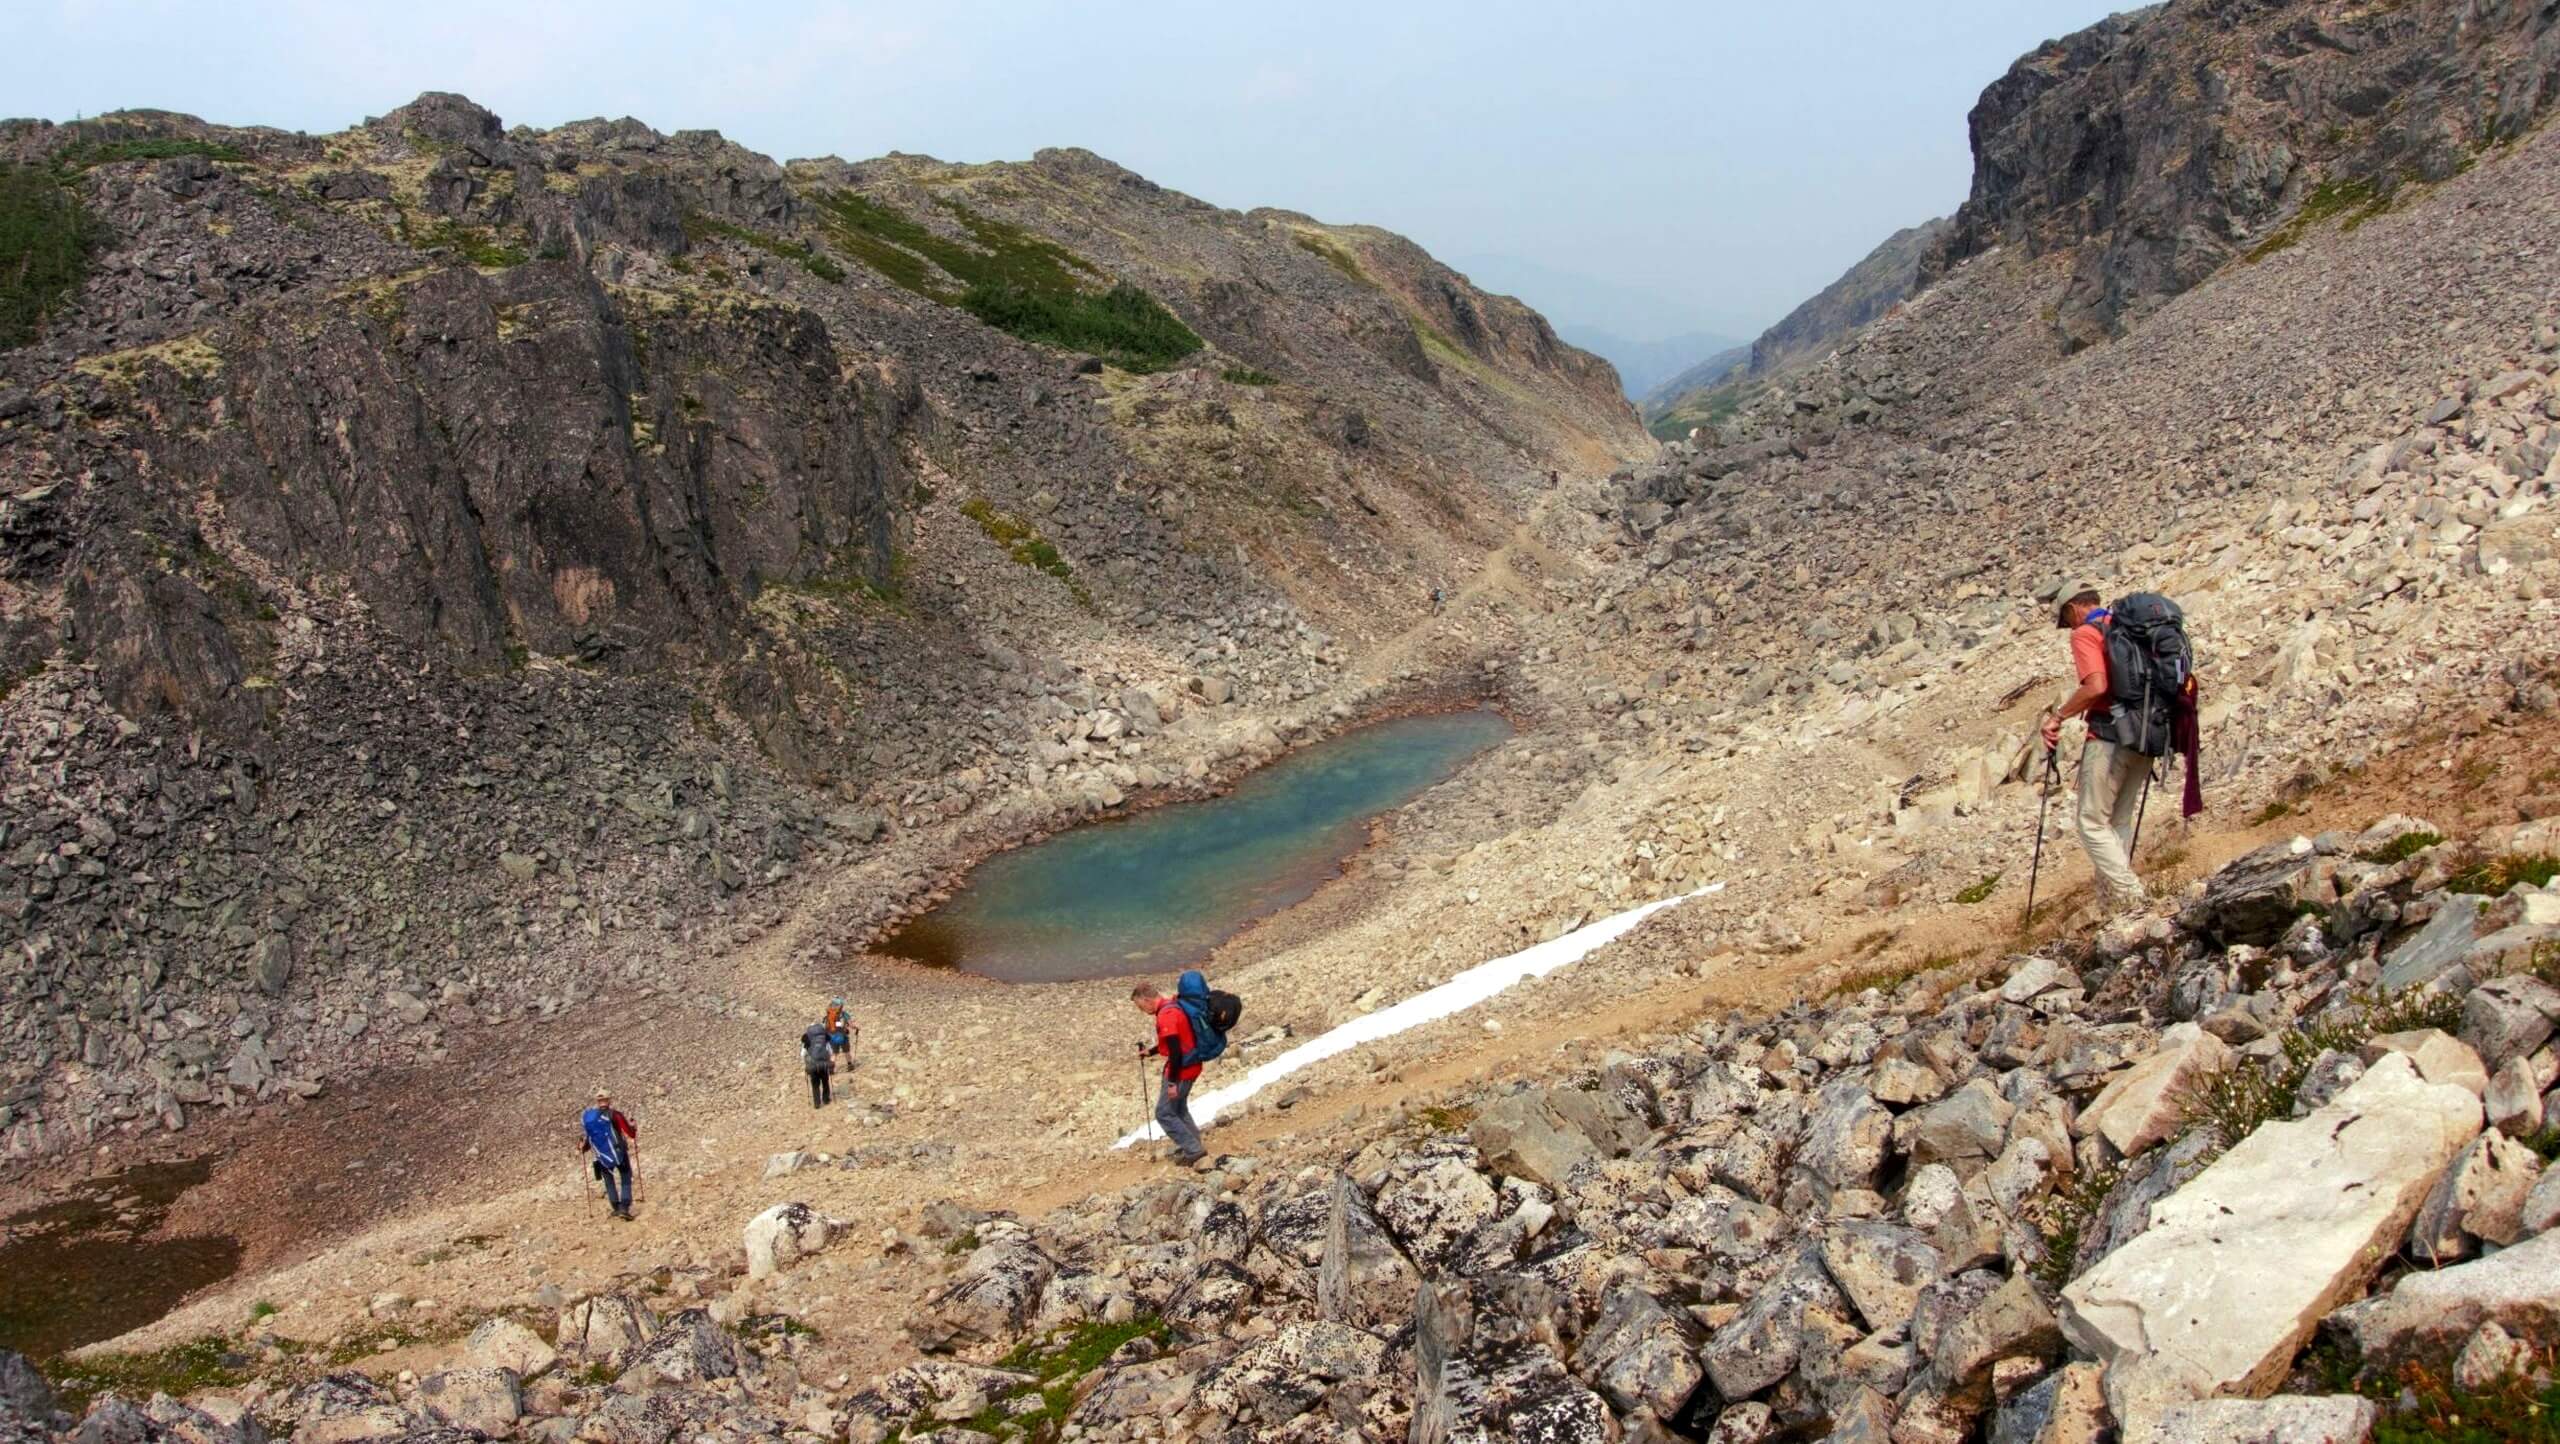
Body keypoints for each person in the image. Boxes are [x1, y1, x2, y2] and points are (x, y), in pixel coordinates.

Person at [2044, 589, 2150, 913]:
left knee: (2090, 823)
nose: (2067, 625)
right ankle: (2114, 907)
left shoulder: (2086, 633)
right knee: (2117, 820)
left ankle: (2133, 899)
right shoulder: (2129, 627)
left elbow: (2096, 686)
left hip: (2109, 735)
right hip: (2148, 733)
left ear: (2074, 607)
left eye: (2065, 618)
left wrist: (2058, 716)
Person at [1132, 982, 1205, 1166]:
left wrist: (1172, 1083)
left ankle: (1194, 1151)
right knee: (1179, 1109)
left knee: (1164, 1113)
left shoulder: (1166, 1016)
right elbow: (1173, 1042)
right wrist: (1150, 1051)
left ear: (1147, 1000)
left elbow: (1175, 1051)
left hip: (1181, 1069)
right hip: (1192, 1065)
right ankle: (1195, 1144)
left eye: (1140, 1006)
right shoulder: (1172, 1005)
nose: (1142, 1011)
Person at [577, 1089, 638, 1221]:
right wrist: (633, 1127)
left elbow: (588, 1141)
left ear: (598, 1102)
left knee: (609, 1182)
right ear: (609, 1100)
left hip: (601, 1157)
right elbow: (630, 1133)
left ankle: (615, 1208)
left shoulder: (590, 1119)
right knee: (625, 1177)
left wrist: (582, 1147)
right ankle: (624, 1208)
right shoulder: (615, 1115)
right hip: (619, 1152)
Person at [801, 1021, 836, 1108]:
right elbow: (830, 1051)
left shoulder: (807, 1038)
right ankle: (826, 1099)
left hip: (813, 1065)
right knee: (825, 1082)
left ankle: (817, 1103)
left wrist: (806, 1063)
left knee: (815, 1084)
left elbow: (802, 1054)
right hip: (824, 1064)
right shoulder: (824, 1037)